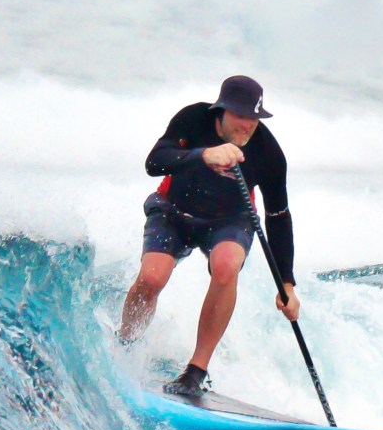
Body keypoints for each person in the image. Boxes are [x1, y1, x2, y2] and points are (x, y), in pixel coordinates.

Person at [118, 75, 300, 396]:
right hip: (173, 211)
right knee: (152, 278)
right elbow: (154, 162)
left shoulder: (269, 154)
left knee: (227, 265)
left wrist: (286, 283)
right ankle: (124, 346)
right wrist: (202, 155)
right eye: (240, 116)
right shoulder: (193, 118)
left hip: (231, 221)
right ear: (222, 111)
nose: (247, 125)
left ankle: (195, 371)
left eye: (254, 118)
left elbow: (278, 216)